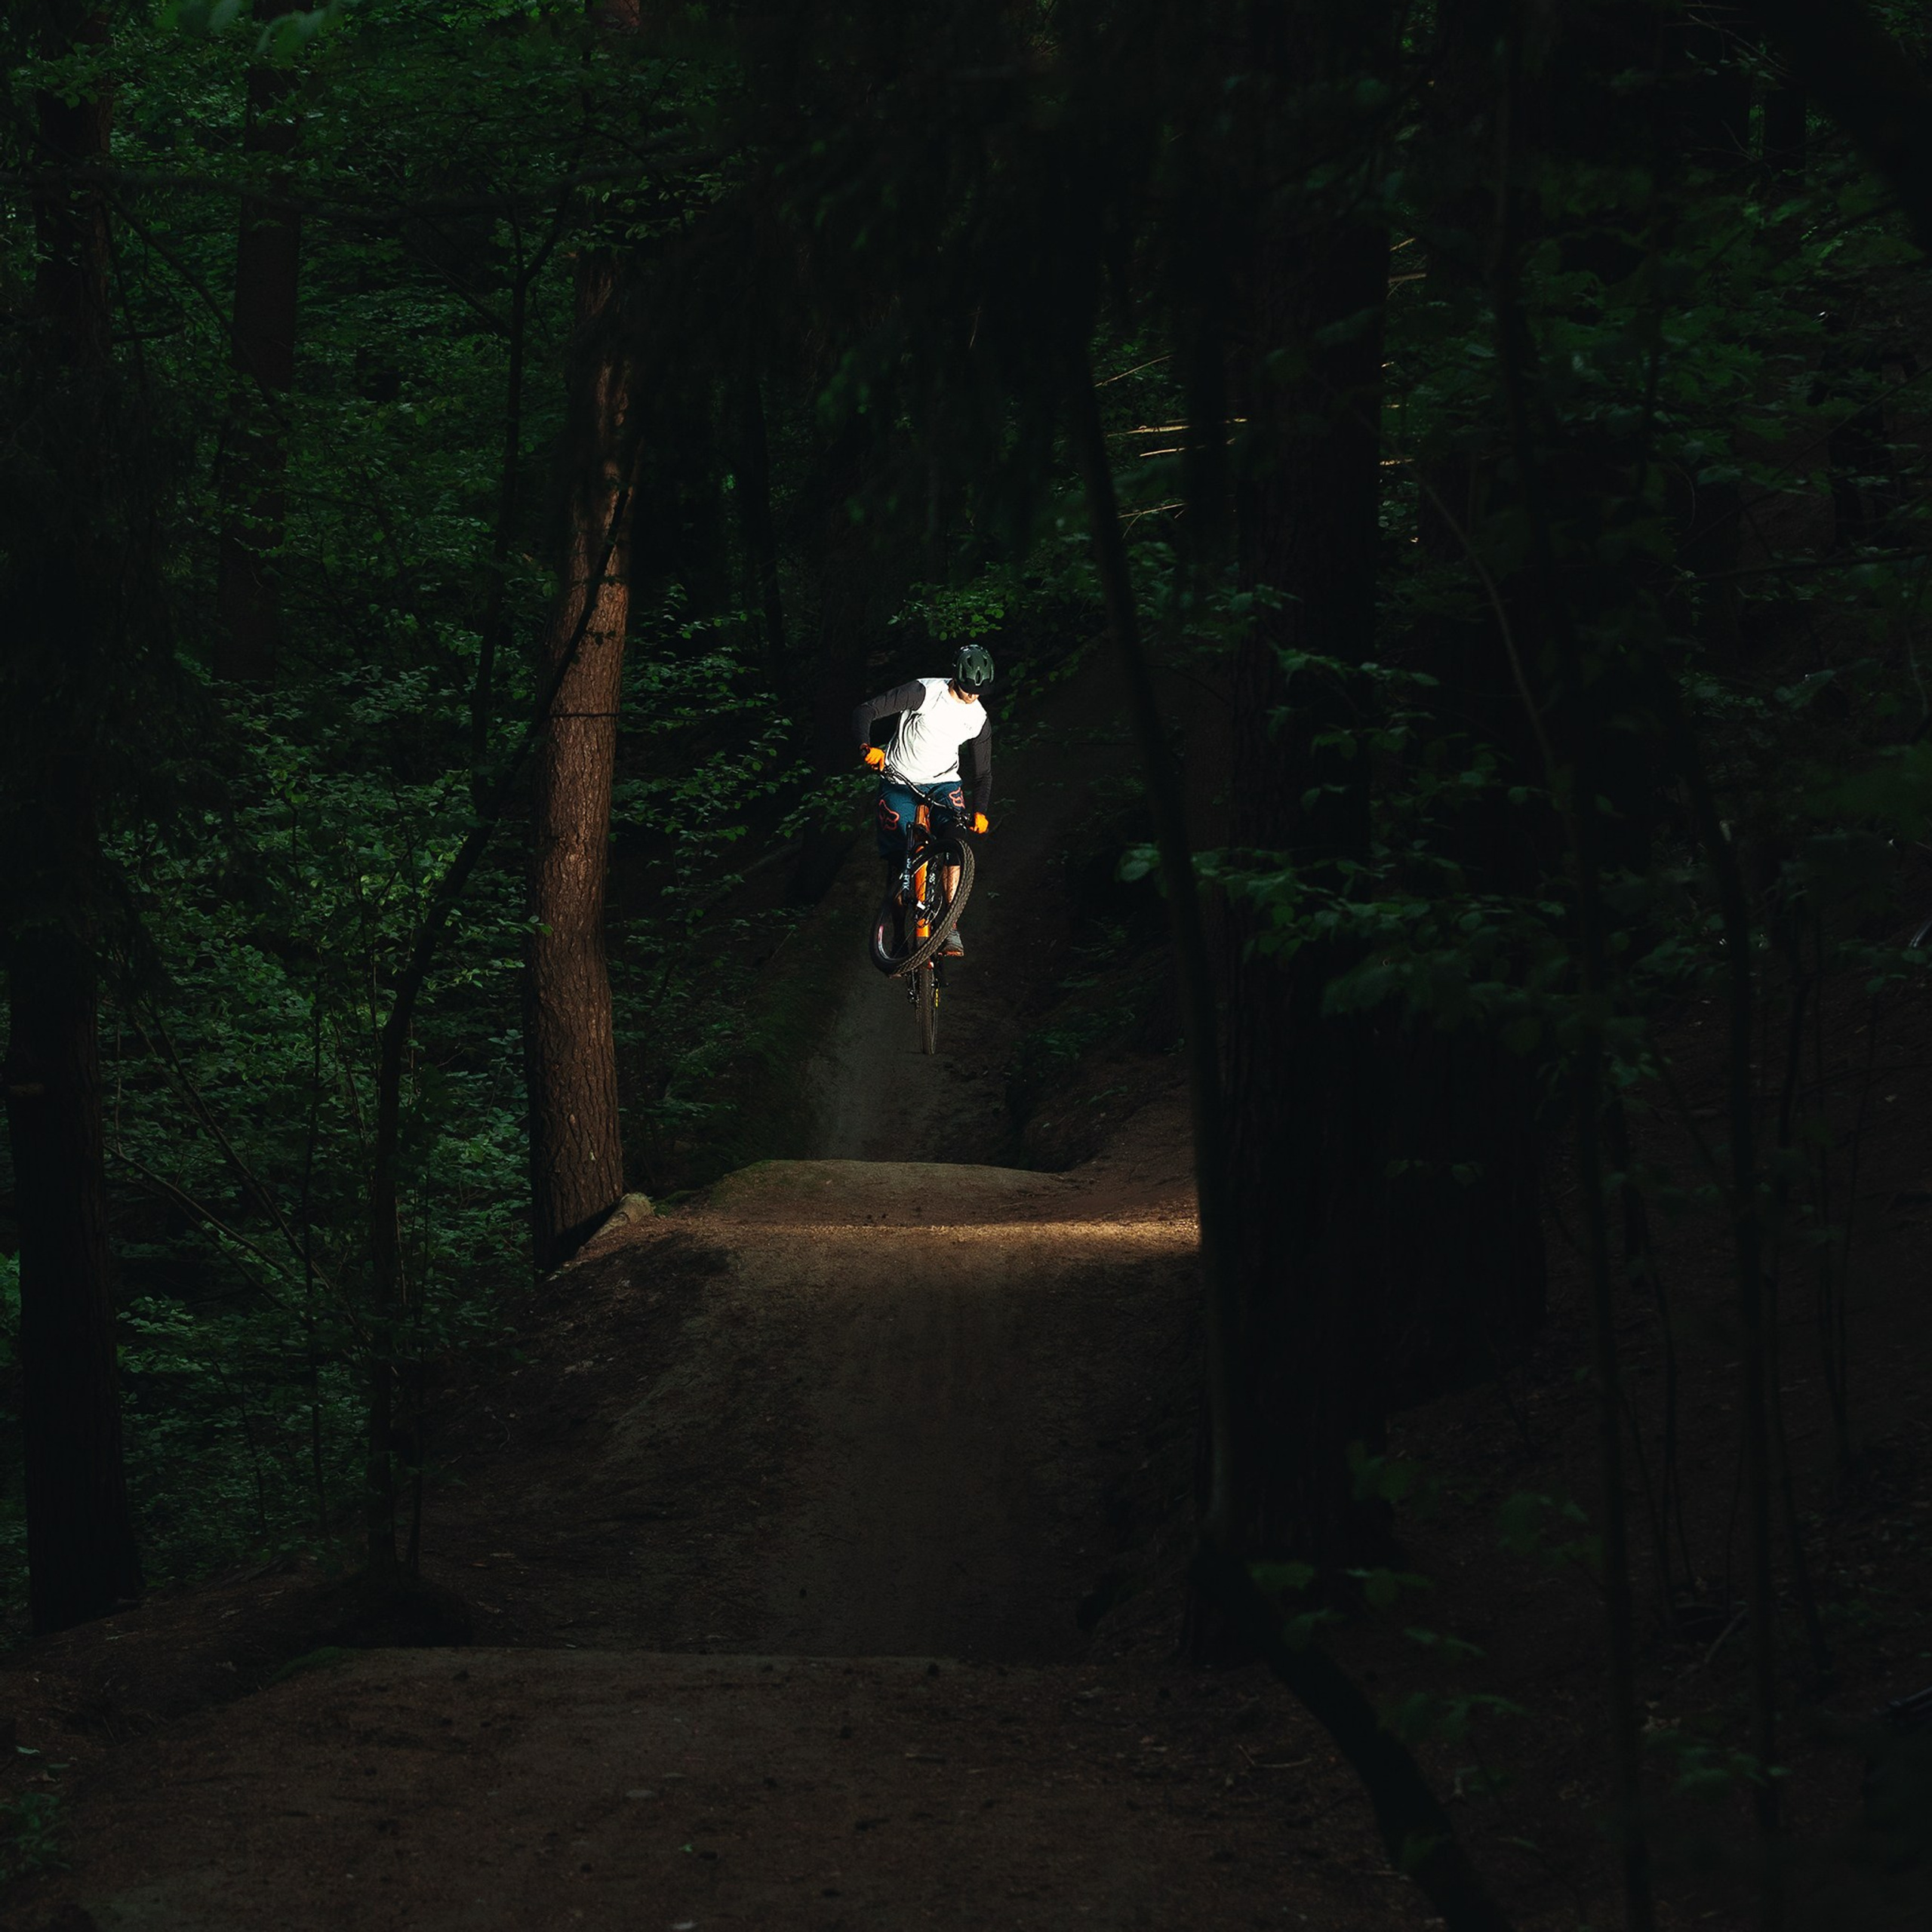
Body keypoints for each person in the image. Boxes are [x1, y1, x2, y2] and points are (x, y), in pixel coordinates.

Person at [851, 644, 993, 958]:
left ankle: (950, 926)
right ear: (956, 677)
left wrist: (980, 811)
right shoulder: (925, 692)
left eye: (978, 692)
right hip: (899, 779)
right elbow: (866, 710)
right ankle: (899, 934)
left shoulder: (979, 719)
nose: (972, 696)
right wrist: (866, 748)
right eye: (968, 689)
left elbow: (983, 774)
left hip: (944, 783)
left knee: (956, 839)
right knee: (900, 859)